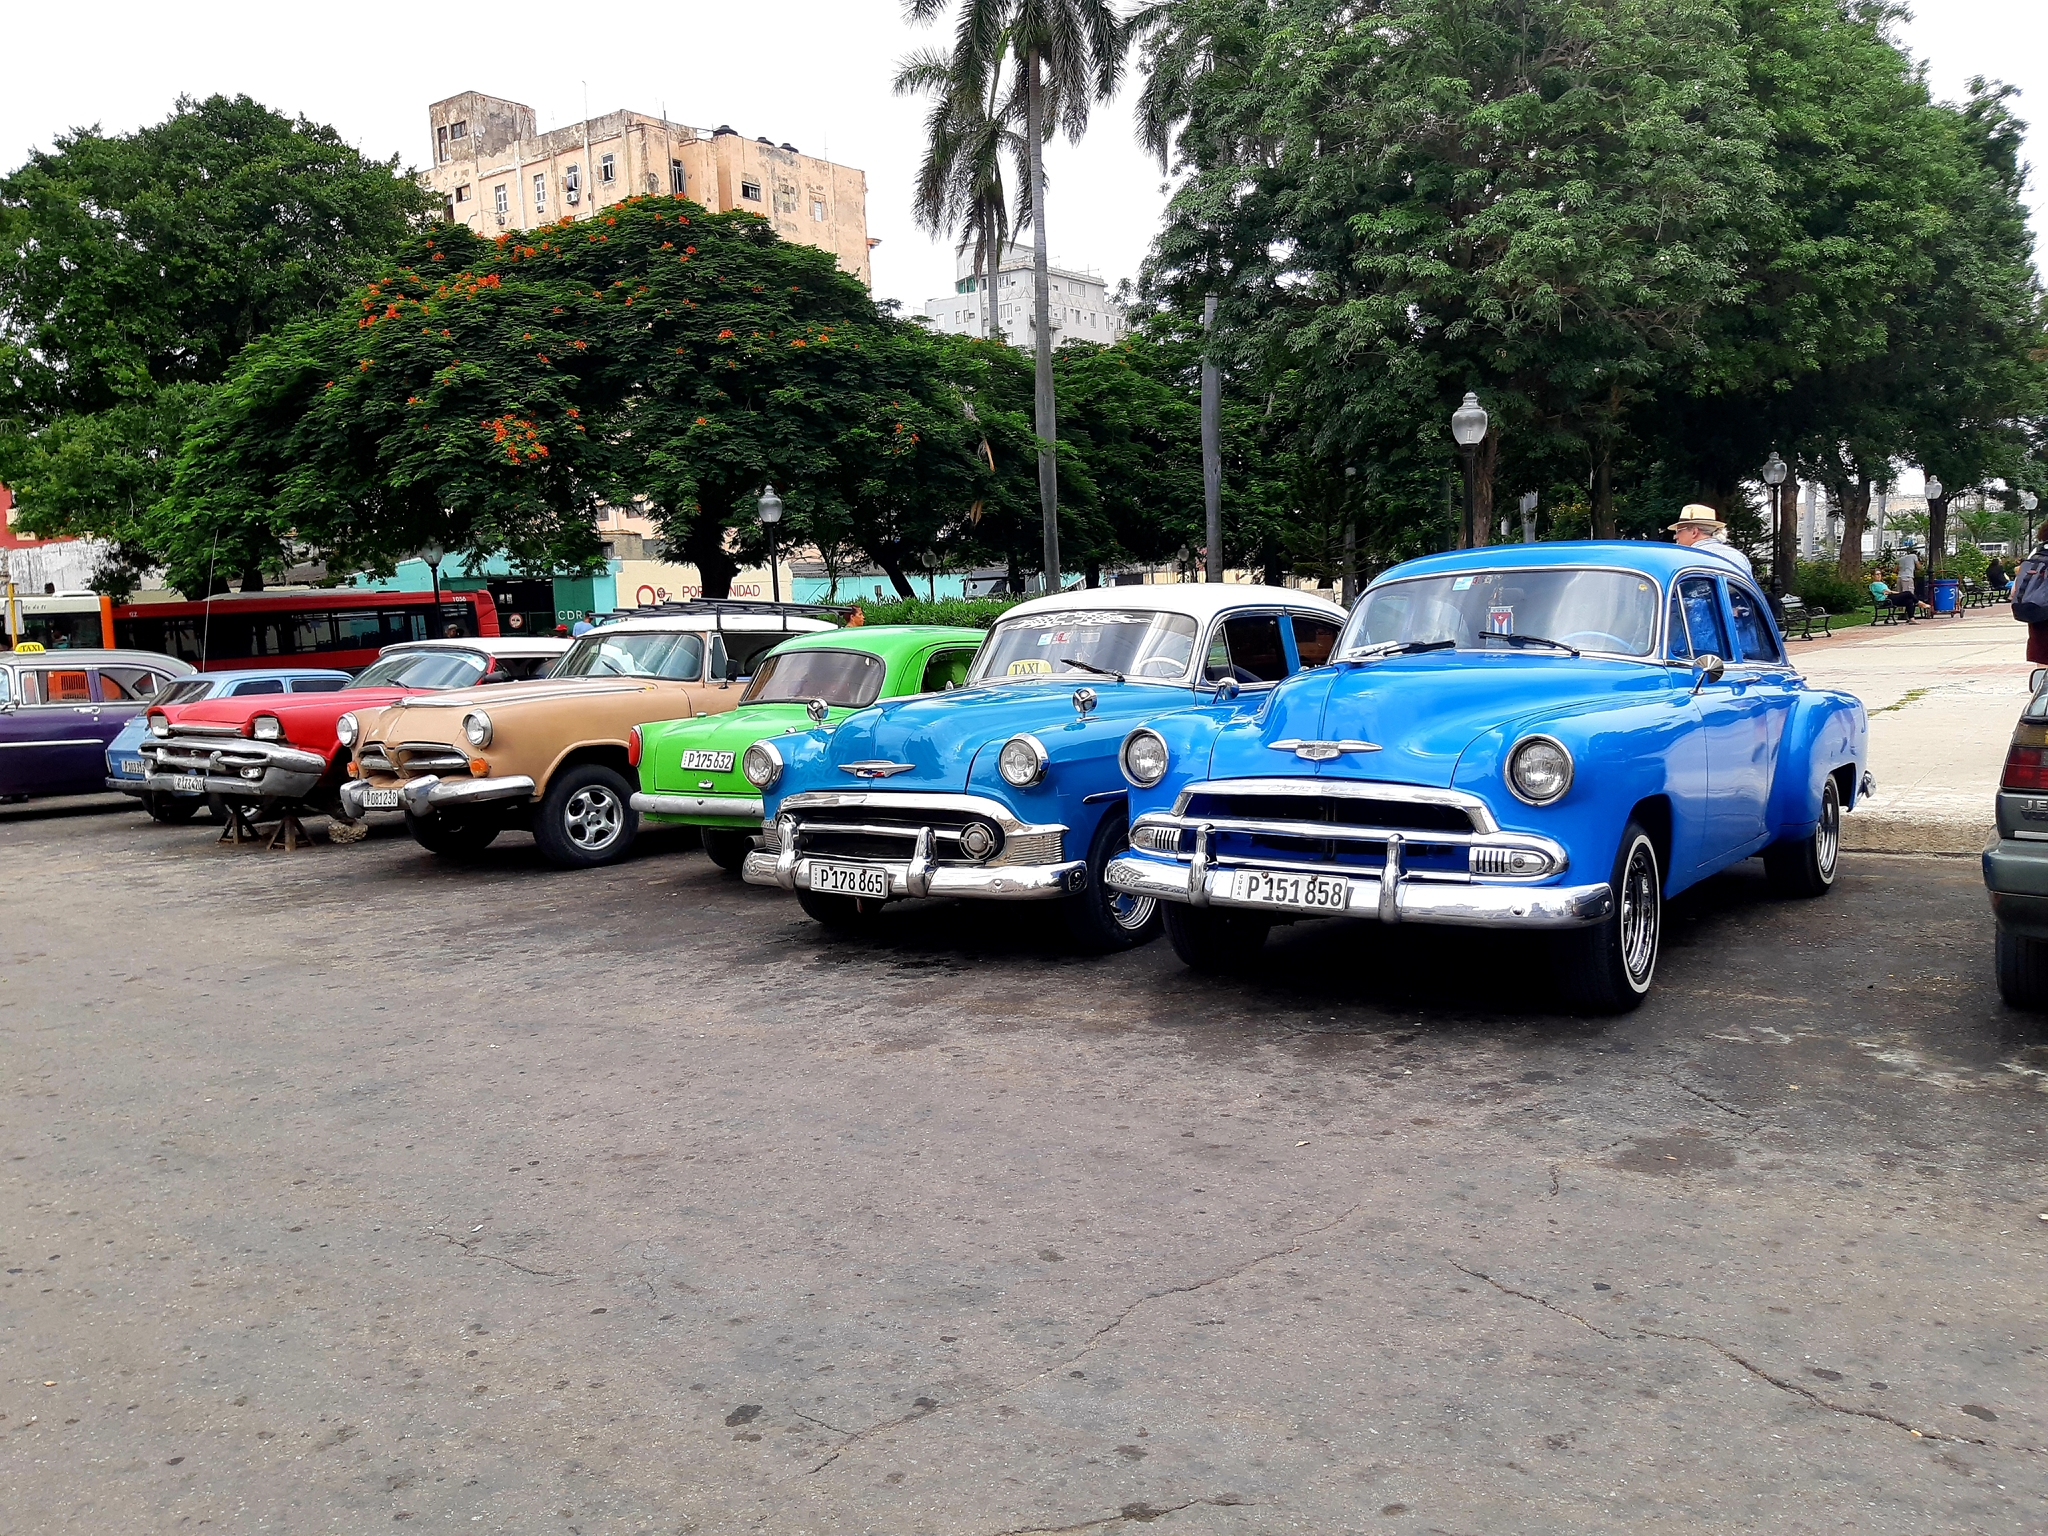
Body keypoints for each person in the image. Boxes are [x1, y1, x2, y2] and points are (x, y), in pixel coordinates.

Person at [1669, 504, 1753, 575]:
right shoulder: (1739, 557)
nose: (1676, 536)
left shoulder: (1686, 558)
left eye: (1678, 531)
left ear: (1694, 532)